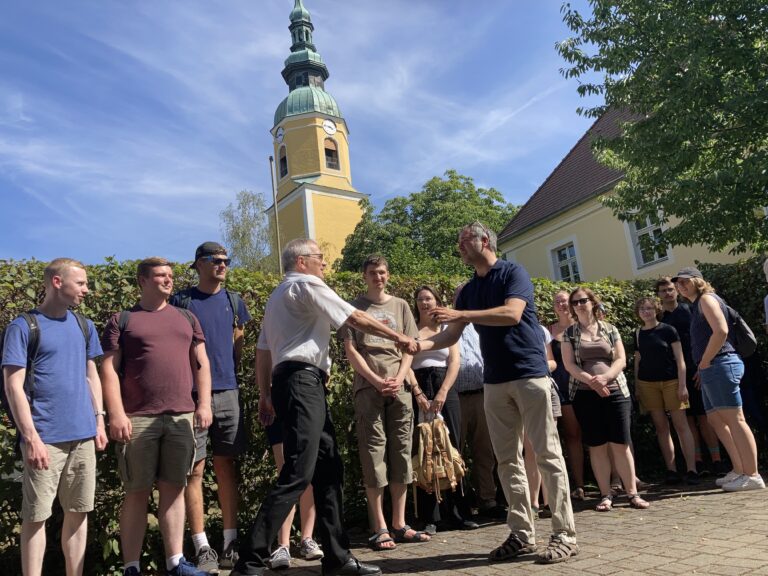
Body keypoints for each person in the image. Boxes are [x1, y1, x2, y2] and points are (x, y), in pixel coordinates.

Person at [231, 239, 418, 576]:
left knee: (328, 467)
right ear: (302, 261)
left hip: (294, 383)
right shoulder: (306, 284)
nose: (324, 265)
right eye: (320, 258)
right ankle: (250, 560)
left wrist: (265, 393)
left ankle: (338, 557)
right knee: (299, 470)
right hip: (302, 382)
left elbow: (262, 350)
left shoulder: (277, 297)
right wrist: (399, 338)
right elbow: (355, 316)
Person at [415, 222, 578, 565]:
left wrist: (461, 312)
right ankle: (522, 534)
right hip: (495, 381)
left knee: (547, 454)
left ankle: (564, 535)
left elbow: (512, 314)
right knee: (507, 461)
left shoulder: (513, 272)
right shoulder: (467, 290)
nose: (458, 246)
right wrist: (416, 343)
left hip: (529, 375)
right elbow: (450, 337)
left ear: (483, 241)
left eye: (463, 240)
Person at [100, 257, 214, 576]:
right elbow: (107, 369)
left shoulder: (186, 318)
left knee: (174, 488)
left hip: (181, 417)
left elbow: (201, 364)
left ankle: (176, 562)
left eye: (170, 275)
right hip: (137, 419)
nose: (168, 280)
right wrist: (116, 414)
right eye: (161, 275)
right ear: (142, 281)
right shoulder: (123, 320)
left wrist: (203, 405)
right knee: (136, 492)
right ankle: (132, 567)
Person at [2, 258, 106, 576]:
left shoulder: (83, 326)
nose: (87, 290)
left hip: (83, 436)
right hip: (45, 439)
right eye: (81, 283)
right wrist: (31, 437)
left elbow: (92, 376)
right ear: (57, 283)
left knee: (78, 513)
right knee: (36, 517)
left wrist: (99, 421)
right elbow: (13, 385)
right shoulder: (24, 327)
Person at [169, 242, 252, 573]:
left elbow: (239, 339)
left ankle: (231, 541)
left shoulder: (234, 301)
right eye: (215, 260)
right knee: (195, 470)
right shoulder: (181, 301)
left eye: (226, 261)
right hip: (189, 397)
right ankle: (202, 546)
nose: (222, 265)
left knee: (226, 465)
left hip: (228, 392)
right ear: (198, 264)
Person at [342, 255, 428, 551]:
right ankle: (379, 526)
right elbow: (351, 351)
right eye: (372, 272)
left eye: (382, 272)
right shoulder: (354, 308)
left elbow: (409, 348)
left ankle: (399, 523)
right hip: (368, 389)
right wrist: (377, 381)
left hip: (400, 390)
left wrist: (401, 378)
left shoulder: (401, 306)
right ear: (364, 276)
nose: (378, 276)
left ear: (388, 275)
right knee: (373, 455)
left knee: (402, 453)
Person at [672, 267, 764, 491]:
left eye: (685, 281)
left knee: (735, 419)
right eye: (678, 283)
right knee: (715, 419)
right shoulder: (697, 305)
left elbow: (721, 331)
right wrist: (703, 366)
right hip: (712, 367)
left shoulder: (706, 300)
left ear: (698, 281)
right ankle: (739, 469)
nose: (680, 285)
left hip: (720, 363)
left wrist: (704, 361)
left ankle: (752, 474)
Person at [561, 287, 649, 512]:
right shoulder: (569, 334)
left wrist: (606, 377)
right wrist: (592, 381)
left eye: (583, 300)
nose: (579, 305)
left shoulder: (610, 329)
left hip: (616, 391)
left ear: (592, 302)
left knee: (621, 443)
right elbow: (569, 365)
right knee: (597, 445)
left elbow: (621, 359)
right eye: (575, 302)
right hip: (584, 394)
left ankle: (632, 493)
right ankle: (605, 495)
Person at [411, 285, 478, 533]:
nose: (424, 303)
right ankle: (431, 517)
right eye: (420, 299)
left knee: (453, 449)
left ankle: (458, 513)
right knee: (424, 450)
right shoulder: (410, 328)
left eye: (428, 298)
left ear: (437, 302)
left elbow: (454, 361)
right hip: (419, 388)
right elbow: (405, 362)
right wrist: (418, 392)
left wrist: (442, 393)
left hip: (445, 389)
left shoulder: (447, 330)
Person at [656, 277, 723, 475]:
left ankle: (717, 460)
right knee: (688, 419)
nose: (668, 293)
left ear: (676, 291)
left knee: (705, 417)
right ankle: (698, 462)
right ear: (658, 295)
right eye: (663, 291)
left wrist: (703, 367)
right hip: (676, 377)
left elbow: (705, 337)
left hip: (698, 369)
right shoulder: (659, 319)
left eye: (670, 289)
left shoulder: (690, 310)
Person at [633, 296, 698, 485]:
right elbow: (638, 360)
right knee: (661, 428)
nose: (646, 312)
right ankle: (671, 470)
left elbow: (680, 360)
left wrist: (683, 384)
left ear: (656, 310)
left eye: (649, 308)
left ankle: (691, 469)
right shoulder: (637, 333)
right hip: (648, 385)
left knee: (681, 425)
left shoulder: (668, 330)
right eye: (642, 309)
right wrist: (637, 385)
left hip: (672, 382)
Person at [452, 284, 503, 519]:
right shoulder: (448, 326)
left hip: (483, 395)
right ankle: (459, 503)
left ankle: (488, 499)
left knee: (485, 451)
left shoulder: (482, 326)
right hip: (456, 398)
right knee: (455, 452)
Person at [264, 416, 323, 569]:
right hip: (280, 408)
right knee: (286, 473)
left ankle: (307, 539)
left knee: (308, 475)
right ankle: (283, 545)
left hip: (307, 407)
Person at [549, 290, 586, 500]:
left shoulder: (583, 326)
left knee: (596, 434)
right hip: (562, 387)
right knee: (572, 436)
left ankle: (613, 481)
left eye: (565, 301)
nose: (562, 304)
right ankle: (579, 485)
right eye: (558, 302)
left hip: (585, 385)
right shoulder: (550, 330)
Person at [523, 325, 562, 519]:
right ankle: (532, 503)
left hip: (546, 388)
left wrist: (539, 366)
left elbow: (552, 362)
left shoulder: (540, 330)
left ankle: (551, 502)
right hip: (523, 392)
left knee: (548, 447)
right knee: (530, 450)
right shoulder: (506, 329)